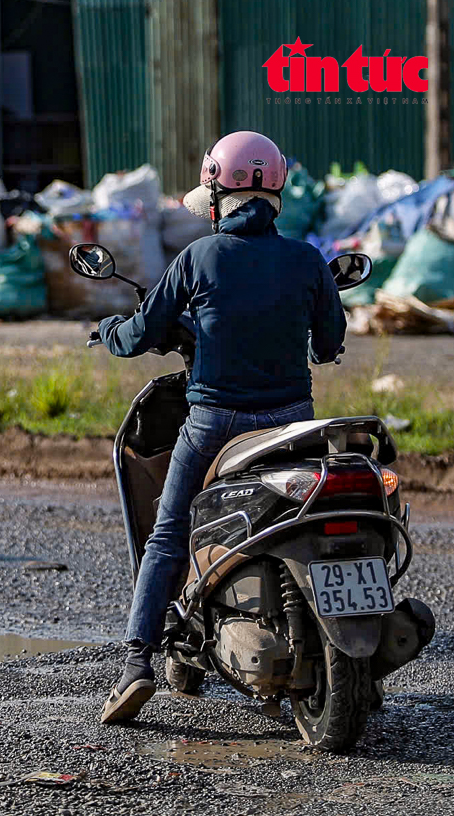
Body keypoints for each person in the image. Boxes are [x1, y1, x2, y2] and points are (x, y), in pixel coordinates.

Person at [96, 131, 347, 724]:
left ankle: (135, 664)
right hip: (291, 426)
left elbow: (143, 333)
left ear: (216, 194)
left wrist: (109, 330)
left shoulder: (199, 258)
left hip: (214, 423)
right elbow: (330, 340)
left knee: (167, 535)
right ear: (275, 191)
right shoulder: (308, 259)